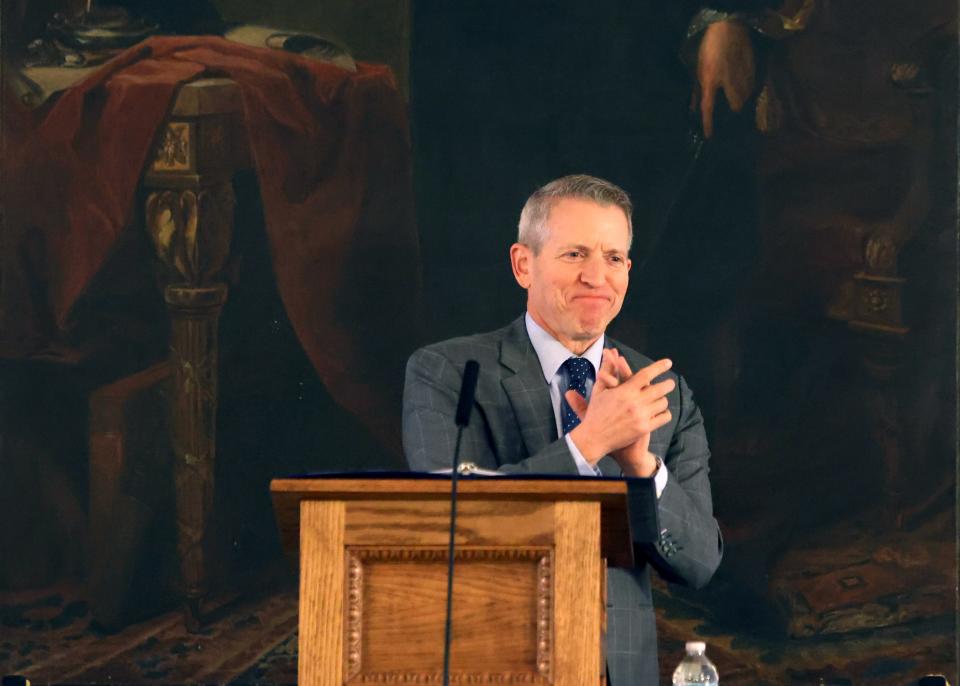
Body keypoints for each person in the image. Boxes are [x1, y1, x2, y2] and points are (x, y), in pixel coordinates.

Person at [403, 174, 723, 685]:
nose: (597, 276)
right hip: (492, 662)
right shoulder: (447, 372)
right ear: (523, 264)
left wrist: (640, 466)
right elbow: (451, 527)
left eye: (614, 258)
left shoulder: (663, 392)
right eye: (575, 254)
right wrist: (589, 443)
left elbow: (701, 562)